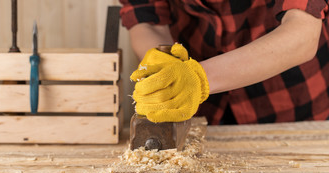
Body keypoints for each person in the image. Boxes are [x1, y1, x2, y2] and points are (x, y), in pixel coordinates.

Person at [119, 0, 329, 125]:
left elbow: (302, 34)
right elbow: (147, 20)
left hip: (291, 97)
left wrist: (198, 78)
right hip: (201, 111)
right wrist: (166, 71)